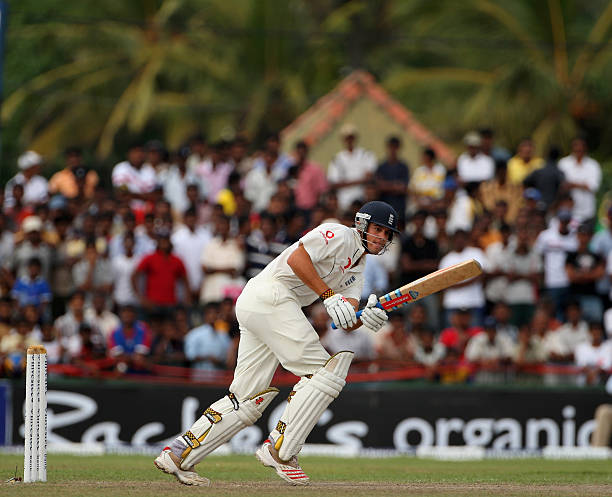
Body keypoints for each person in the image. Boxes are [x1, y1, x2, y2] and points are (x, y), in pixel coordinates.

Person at [154, 201, 398, 486]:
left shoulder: (358, 268)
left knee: (246, 400)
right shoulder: (338, 234)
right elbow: (297, 259)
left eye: (387, 233)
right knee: (325, 372)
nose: (382, 237)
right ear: (362, 223)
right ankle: (281, 451)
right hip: (272, 296)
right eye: (378, 229)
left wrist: (366, 318)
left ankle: (179, 454)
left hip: (261, 303)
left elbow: (346, 317)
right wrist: (328, 295)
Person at [327, 123, 377, 210]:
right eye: (347, 138)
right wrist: (360, 180)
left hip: (362, 200)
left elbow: (369, 177)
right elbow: (334, 183)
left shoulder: (365, 154)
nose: (349, 140)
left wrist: (346, 182)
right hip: (344, 202)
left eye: (351, 137)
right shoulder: (337, 158)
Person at [557, 137, 601, 222]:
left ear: (585, 148)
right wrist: (582, 185)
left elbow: (593, 187)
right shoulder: (563, 163)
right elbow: (560, 185)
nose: (578, 149)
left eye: (581, 147)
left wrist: (572, 185)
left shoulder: (593, 165)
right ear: (572, 148)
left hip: (587, 211)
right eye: (576, 147)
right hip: (567, 212)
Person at [375, 136, 410, 223]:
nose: (393, 149)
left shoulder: (403, 167)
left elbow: (403, 188)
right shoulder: (381, 166)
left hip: (400, 207)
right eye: (391, 146)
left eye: (395, 147)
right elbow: (379, 187)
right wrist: (395, 186)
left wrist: (387, 185)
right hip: (385, 206)